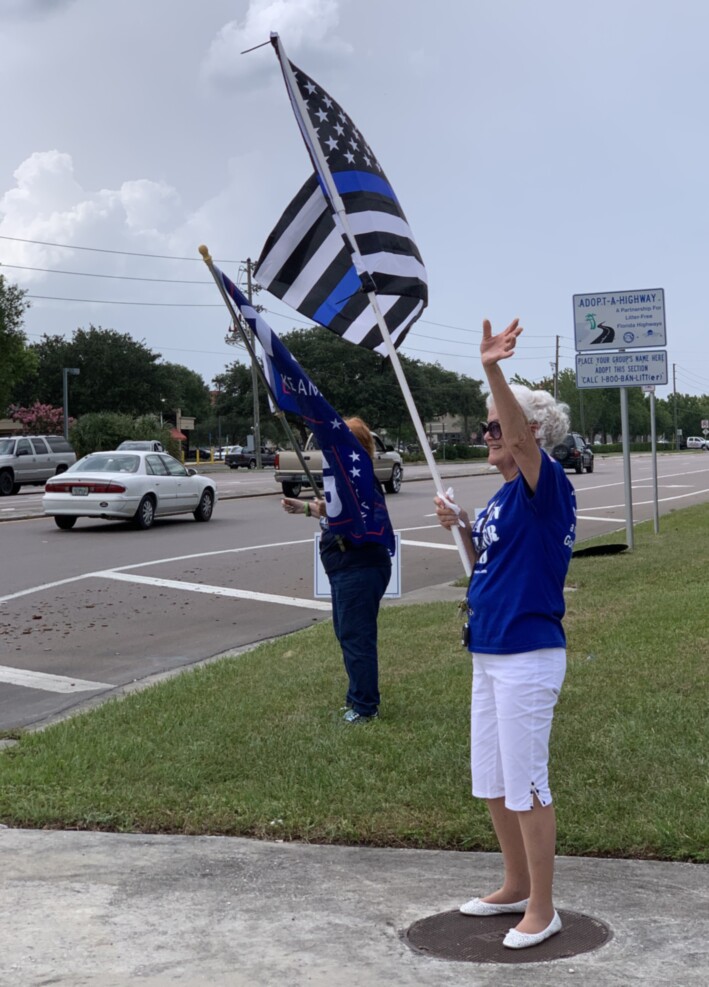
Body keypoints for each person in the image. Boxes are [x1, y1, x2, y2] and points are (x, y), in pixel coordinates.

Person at [435, 318, 577, 950]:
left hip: (527, 654)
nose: (487, 435)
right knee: (492, 779)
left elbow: (519, 440)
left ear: (531, 434)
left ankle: (543, 909)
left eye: (495, 426)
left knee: (526, 782)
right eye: (488, 425)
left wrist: (493, 368)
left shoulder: (545, 485)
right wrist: (460, 526)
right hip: (488, 651)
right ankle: (515, 884)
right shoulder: (499, 499)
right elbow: (486, 559)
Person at [282, 417, 392, 725]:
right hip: (350, 568)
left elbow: (349, 519)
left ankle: (365, 707)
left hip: (359, 568)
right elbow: (335, 510)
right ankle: (357, 697)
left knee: (357, 637)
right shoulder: (351, 478)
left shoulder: (358, 478)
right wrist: (304, 508)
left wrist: (318, 513)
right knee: (348, 634)